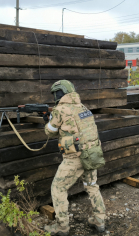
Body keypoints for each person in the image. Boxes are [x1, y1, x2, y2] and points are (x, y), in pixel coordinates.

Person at [44, 80, 106, 236]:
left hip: (75, 157)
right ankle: (100, 221)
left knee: (58, 188)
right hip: (92, 154)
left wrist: (48, 119)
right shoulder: (83, 108)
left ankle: (62, 227)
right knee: (92, 186)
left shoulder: (60, 110)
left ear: (59, 93)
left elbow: (50, 132)